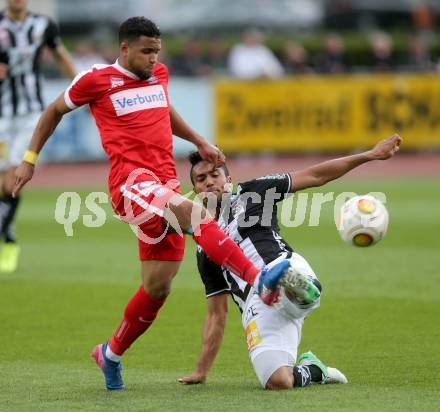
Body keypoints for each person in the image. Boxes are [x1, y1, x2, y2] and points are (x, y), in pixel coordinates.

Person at [12, 16, 309, 391]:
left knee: (158, 287)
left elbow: (165, 112)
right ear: (125, 48)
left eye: (157, 51)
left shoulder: (159, 75)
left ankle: (110, 353)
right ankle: (258, 278)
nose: (154, 58)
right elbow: (53, 111)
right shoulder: (96, 80)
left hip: (163, 185)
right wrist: (29, 159)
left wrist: (199, 140)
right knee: (196, 214)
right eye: (146, 51)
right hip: (132, 186)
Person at [179, 134, 402, 389]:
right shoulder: (204, 247)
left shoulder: (253, 192)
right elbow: (216, 314)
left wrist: (370, 155)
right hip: (257, 306)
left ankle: (291, 283)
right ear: (196, 190)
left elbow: (315, 175)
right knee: (277, 381)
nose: (209, 182)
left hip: (280, 264)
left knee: (292, 285)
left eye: (215, 174)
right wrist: (201, 370)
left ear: (228, 179)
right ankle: (314, 370)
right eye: (201, 179)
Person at [0, 0, 76, 272]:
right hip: (1, 114)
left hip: (30, 113)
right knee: (1, 183)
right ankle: (9, 235)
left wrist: (83, 88)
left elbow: (61, 56)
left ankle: (3, 235)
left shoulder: (43, 25)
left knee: (13, 175)